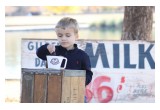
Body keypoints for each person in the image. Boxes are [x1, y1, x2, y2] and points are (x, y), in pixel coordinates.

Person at [36, 17, 93, 86]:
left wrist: (79, 83)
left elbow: (88, 74)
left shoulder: (83, 56)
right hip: (54, 88)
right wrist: (47, 47)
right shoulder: (53, 51)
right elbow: (39, 53)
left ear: (76, 36)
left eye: (68, 35)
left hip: (74, 89)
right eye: (60, 36)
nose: (63, 38)